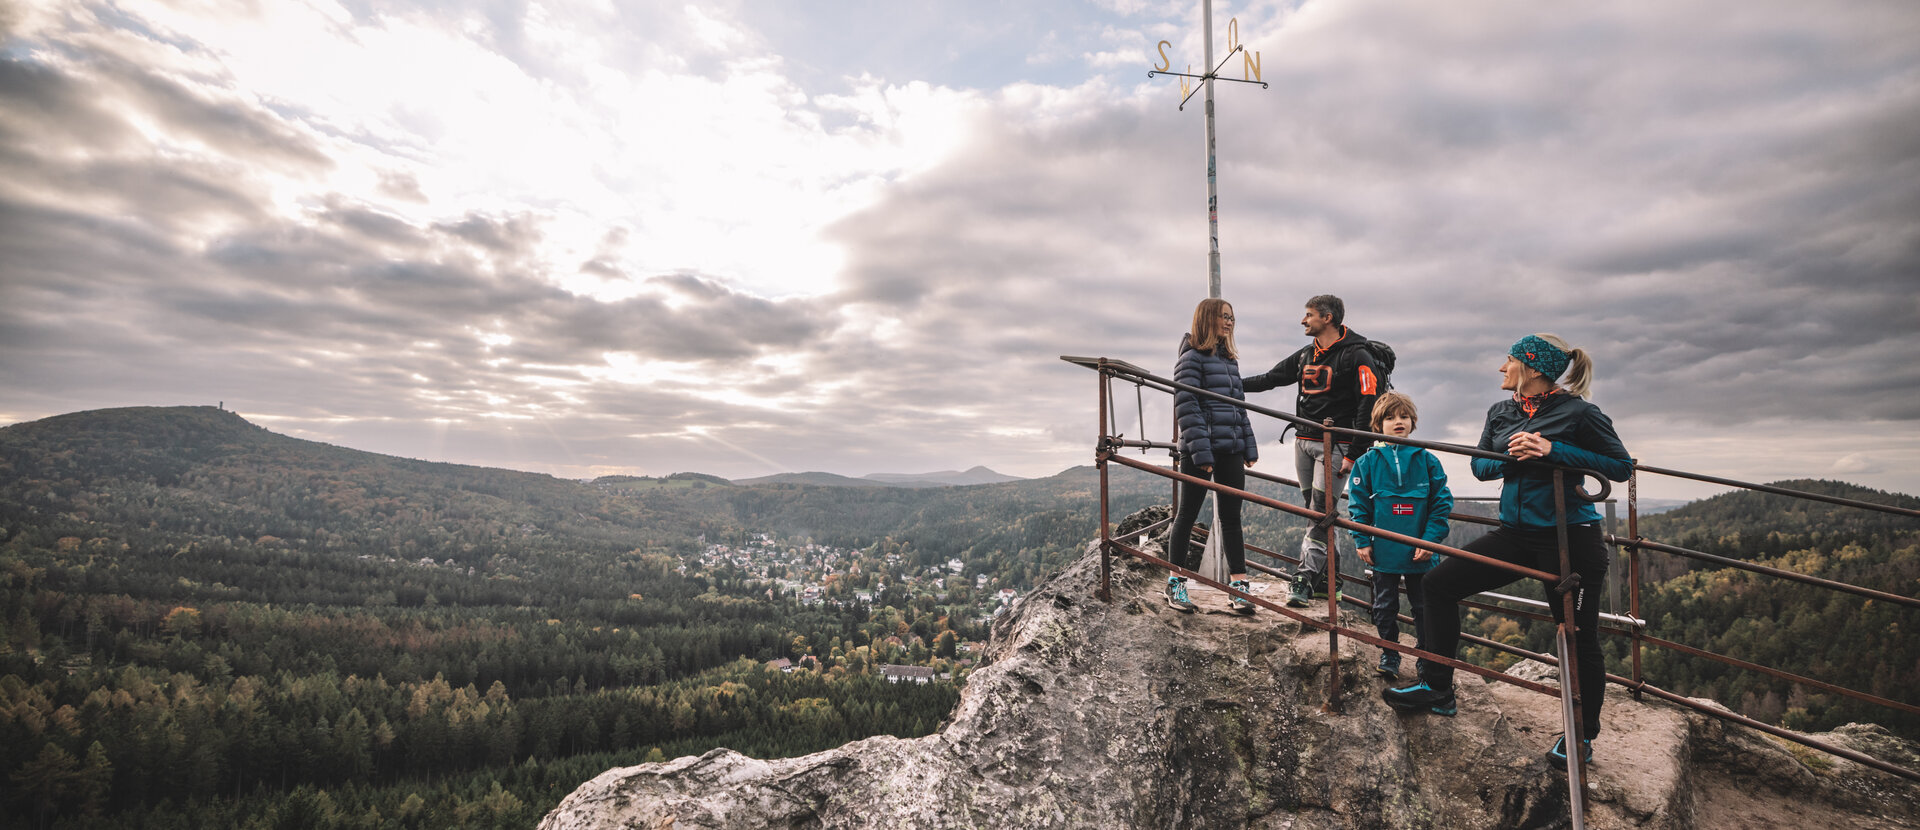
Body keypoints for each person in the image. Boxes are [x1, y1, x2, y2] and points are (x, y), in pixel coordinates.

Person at [1382, 334, 1633, 767]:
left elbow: (1621, 466)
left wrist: (1554, 450)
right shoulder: (1501, 411)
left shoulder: (1579, 413)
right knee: (1440, 585)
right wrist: (1516, 458)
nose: (1502, 367)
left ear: (1533, 369)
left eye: (1510, 360)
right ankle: (1437, 687)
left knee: (1576, 636)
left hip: (1570, 539)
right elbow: (1480, 465)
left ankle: (1581, 737)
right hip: (1515, 534)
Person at [1244, 294, 1384, 608]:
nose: (1303, 321)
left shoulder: (1357, 355)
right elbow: (1270, 379)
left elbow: (1368, 403)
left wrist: (1355, 452)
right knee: (1317, 514)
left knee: (1319, 515)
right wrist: (1228, 385)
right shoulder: (1307, 354)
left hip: (1336, 446)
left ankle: (1303, 580)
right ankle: (1328, 584)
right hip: (1303, 443)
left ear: (1328, 318)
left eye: (1308, 315)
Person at [1164, 298, 1260, 615]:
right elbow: (1187, 408)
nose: (1230, 322)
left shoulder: (1229, 360)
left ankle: (1239, 587)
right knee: (1187, 515)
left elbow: (1239, 408)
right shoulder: (1191, 358)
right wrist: (1202, 452)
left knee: (1232, 519)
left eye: (1232, 317)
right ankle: (1175, 583)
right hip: (1199, 451)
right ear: (1208, 319)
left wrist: (1249, 446)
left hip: (1230, 447)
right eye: (1224, 317)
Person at [1346, 391, 1452, 678]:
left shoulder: (1427, 460)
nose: (1398, 422)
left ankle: (1423, 657)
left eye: (1404, 416)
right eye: (1390, 417)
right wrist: (1362, 540)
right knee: (1384, 605)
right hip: (1384, 550)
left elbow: (1441, 502)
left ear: (1413, 421)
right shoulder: (1366, 463)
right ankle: (1389, 654)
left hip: (1421, 550)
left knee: (1423, 607)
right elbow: (1358, 504)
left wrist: (1429, 541)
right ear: (1378, 424)